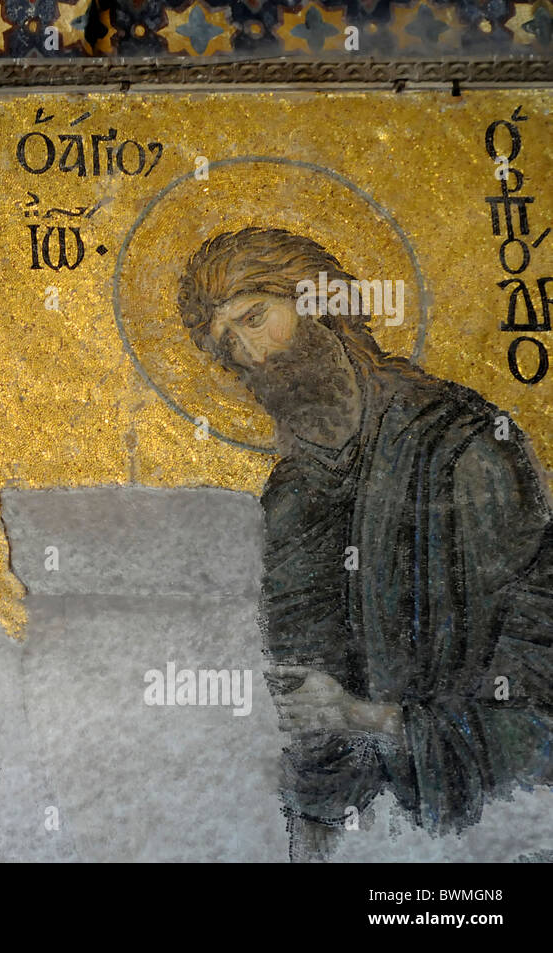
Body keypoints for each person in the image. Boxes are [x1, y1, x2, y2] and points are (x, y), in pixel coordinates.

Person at [177, 226, 553, 859]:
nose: (249, 356)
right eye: (227, 346)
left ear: (321, 302)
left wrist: (375, 722)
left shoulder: (463, 447)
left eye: (254, 317)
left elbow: (537, 680)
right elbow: (303, 697)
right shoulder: (292, 496)